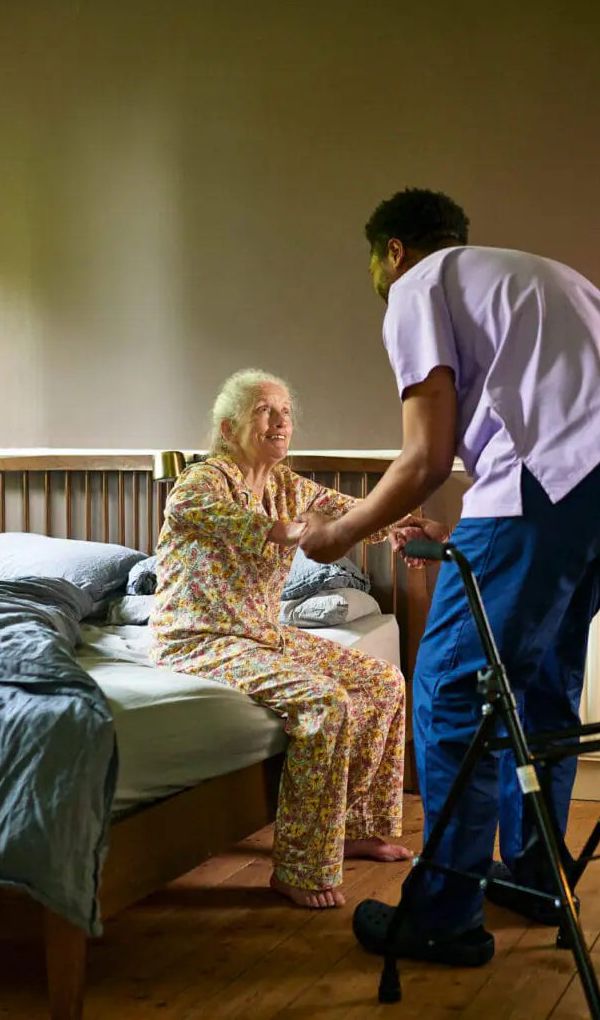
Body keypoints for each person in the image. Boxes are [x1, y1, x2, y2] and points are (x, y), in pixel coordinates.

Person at [295, 189, 600, 965]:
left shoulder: (418, 285)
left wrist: (336, 532)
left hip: (551, 481)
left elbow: (425, 457)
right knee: (539, 680)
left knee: (452, 690)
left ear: (392, 252)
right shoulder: (528, 274)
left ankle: (444, 912)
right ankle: (541, 873)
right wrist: (473, 529)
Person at [149, 368, 422, 909]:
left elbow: (353, 511)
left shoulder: (285, 485)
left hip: (260, 633)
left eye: (285, 411)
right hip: (198, 638)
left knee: (383, 680)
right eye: (263, 410)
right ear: (229, 429)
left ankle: (355, 826)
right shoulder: (200, 482)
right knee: (325, 703)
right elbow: (232, 521)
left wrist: (409, 524)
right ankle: (298, 865)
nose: (280, 420)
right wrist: (303, 531)